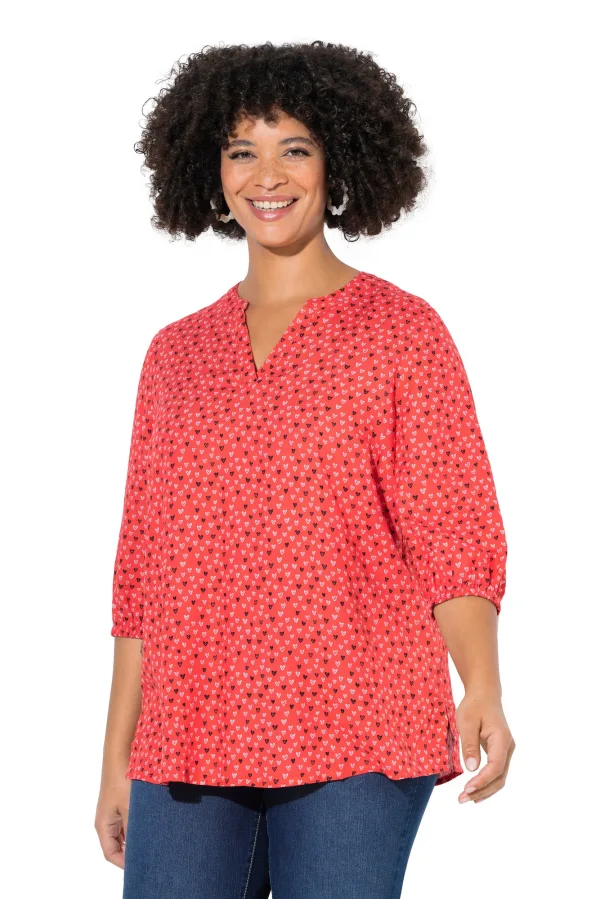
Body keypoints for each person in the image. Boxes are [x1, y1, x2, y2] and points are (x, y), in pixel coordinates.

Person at [95, 40, 516, 899]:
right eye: (241, 151)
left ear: (338, 160)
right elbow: (143, 576)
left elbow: (450, 529)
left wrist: (482, 681)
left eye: (294, 148)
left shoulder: (401, 333)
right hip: (189, 734)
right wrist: (117, 758)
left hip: (355, 725)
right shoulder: (174, 356)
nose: (266, 175)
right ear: (211, 170)